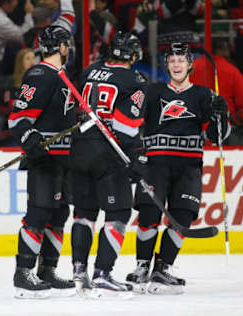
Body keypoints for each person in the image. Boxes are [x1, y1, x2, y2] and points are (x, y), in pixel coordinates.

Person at [125, 42, 230, 294]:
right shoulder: (152, 92)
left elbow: (219, 137)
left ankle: (162, 269)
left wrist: (221, 114)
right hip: (154, 166)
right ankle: (142, 267)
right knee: (149, 214)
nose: (176, 65)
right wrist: (135, 154)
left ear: (190, 65)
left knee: (182, 217)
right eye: (172, 60)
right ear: (167, 65)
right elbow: (131, 123)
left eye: (181, 60)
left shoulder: (204, 95)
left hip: (188, 167)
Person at [69, 31, 147, 295]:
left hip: (79, 149)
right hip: (107, 154)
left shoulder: (90, 71)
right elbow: (125, 126)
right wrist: (137, 154)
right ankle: (102, 273)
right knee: (119, 213)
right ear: (134, 55)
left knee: (83, 213)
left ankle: (79, 271)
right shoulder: (134, 80)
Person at [8, 25, 76, 299]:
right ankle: (23, 273)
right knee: (38, 213)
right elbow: (17, 117)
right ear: (61, 47)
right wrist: (31, 139)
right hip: (45, 160)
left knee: (59, 214)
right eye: (66, 46)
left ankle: (47, 270)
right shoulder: (39, 74)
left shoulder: (61, 76)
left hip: (64, 159)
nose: (68, 50)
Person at [190, 39, 243, 145]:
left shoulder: (191, 67)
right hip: (224, 125)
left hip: (194, 126)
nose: (228, 53)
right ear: (220, 50)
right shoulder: (232, 70)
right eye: (226, 50)